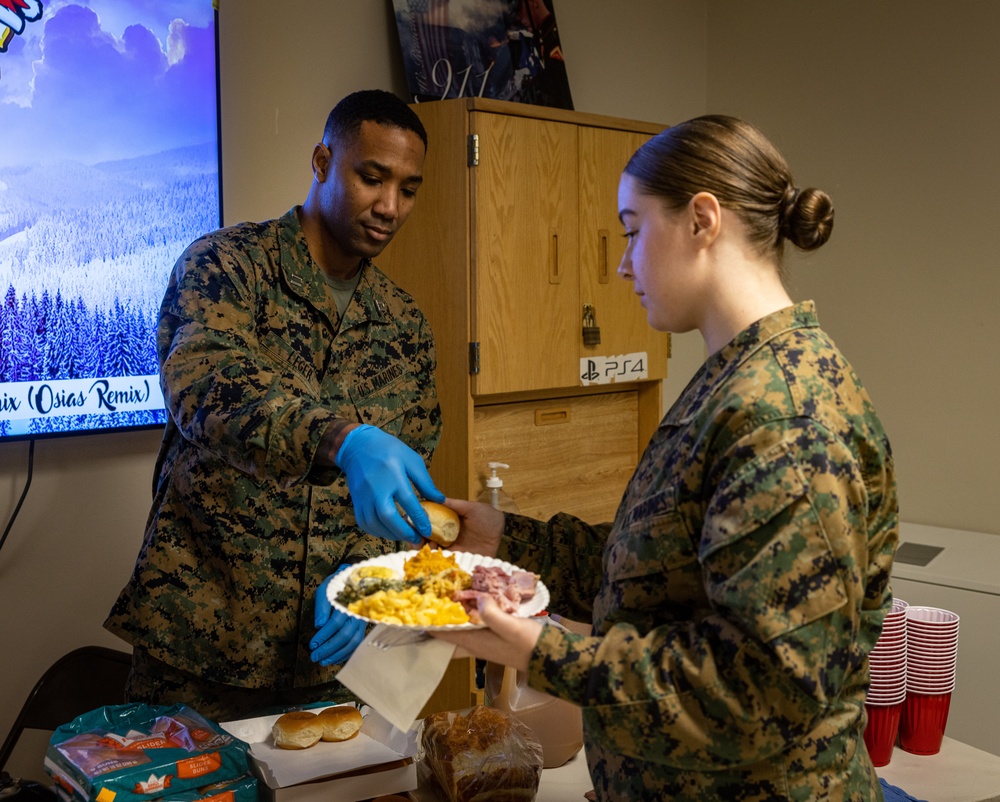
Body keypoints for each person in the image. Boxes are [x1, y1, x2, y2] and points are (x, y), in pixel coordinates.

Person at [433, 115, 898, 800]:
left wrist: (545, 651)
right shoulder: (734, 382)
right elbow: (664, 572)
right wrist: (507, 542)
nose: (622, 263)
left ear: (702, 220)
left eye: (632, 229)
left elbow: (759, 691)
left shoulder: (782, 414)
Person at [104, 89, 444, 722]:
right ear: (321, 161)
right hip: (201, 646)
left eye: (409, 188)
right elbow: (204, 385)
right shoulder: (228, 267)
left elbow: (410, 488)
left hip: (331, 663)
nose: (390, 207)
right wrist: (344, 439)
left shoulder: (404, 325)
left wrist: (366, 582)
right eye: (372, 178)